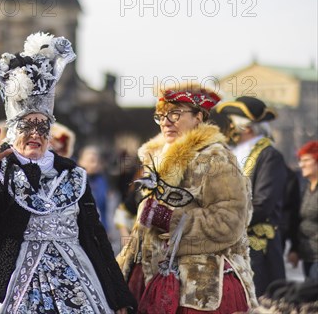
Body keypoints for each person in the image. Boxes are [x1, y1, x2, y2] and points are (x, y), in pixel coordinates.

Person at [0, 0, 136, 313]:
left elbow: (94, 237)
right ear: (13, 130)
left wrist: (118, 296)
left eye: (43, 127)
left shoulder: (71, 173)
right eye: (27, 126)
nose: (35, 134)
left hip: (71, 280)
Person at [118, 86, 258, 313]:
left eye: (175, 114)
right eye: (161, 116)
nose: (166, 122)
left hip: (200, 286)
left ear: (198, 117)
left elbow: (229, 221)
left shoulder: (216, 158)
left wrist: (171, 220)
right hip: (152, 280)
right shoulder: (157, 158)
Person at [216, 96, 287, 296]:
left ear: (246, 128)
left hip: (256, 246)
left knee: (256, 300)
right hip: (229, 244)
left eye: (231, 123)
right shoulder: (232, 153)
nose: (228, 128)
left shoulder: (269, 156)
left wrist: (225, 222)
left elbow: (263, 203)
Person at [287, 140, 318, 281]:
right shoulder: (306, 188)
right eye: (300, 160)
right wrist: (295, 249)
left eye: (306, 160)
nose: (301, 165)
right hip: (308, 257)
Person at [78, 145, 110, 229]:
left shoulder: (102, 181)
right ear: (81, 161)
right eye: (91, 161)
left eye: (97, 161)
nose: (95, 164)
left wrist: (106, 228)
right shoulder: (76, 181)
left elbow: (103, 208)